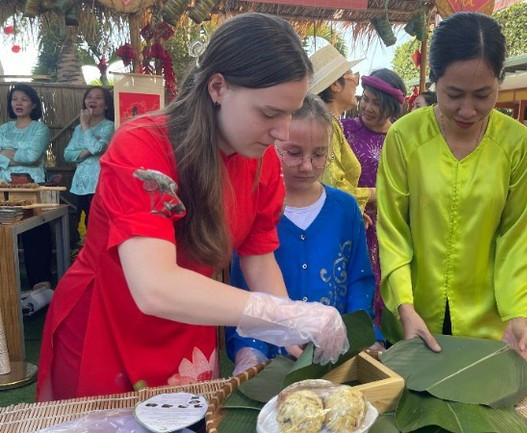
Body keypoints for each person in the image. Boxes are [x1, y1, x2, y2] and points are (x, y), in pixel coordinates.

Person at [37, 13, 349, 401]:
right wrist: (283, 314)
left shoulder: (263, 162)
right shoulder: (142, 148)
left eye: (291, 112)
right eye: (269, 113)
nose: (282, 132)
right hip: (109, 320)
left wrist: (290, 329)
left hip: (193, 317)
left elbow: (259, 258)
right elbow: (155, 287)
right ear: (218, 87)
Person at [377, 12, 527, 357]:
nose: (467, 110)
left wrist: (516, 313)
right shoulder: (405, 136)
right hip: (414, 313)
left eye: (482, 95)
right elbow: (393, 229)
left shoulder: (518, 144)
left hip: (486, 323)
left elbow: (515, 235)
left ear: (499, 81)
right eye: (453, 94)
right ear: (434, 81)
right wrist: (404, 306)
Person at [226, 94, 381, 375]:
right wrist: (248, 351)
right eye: (293, 153)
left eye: (319, 154)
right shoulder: (254, 207)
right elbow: (244, 290)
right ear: (271, 145)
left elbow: (359, 281)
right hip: (269, 360)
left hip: (333, 355)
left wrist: (361, 335)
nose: (307, 166)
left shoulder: (345, 208)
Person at [341, 68, 406, 326]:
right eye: (365, 99)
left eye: (376, 103)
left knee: (379, 285)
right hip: (348, 221)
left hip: (384, 227)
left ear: (391, 107)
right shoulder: (343, 130)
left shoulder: (401, 138)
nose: (367, 107)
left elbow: (406, 188)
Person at [0, 83, 53, 291]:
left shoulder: (40, 129)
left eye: (24, 99)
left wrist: (6, 154)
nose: (18, 103)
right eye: (14, 99)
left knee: (34, 233)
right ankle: (7, 286)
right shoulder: (3, 129)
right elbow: (28, 156)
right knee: (4, 234)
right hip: (3, 188)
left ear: (33, 104)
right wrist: (18, 157)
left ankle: (40, 283)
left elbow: (33, 156)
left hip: (32, 187)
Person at [309, 45, 371, 216]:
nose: (356, 83)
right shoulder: (326, 125)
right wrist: (373, 193)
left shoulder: (329, 123)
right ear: (335, 85)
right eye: (353, 76)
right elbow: (331, 183)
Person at [63, 86, 115, 227]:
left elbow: (97, 148)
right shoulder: (78, 129)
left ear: (106, 105)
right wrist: (86, 152)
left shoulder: (110, 126)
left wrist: (85, 125)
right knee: (83, 226)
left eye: (98, 98)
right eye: (89, 97)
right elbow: (67, 155)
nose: (92, 100)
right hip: (80, 185)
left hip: (100, 183)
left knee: (99, 226)